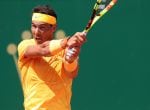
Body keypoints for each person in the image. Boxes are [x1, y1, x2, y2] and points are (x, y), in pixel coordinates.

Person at [17, 5, 86, 110]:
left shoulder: (64, 49)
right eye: (34, 26)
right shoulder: (25, 45)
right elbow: (43, 50)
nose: (36, 32)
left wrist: (70, 60)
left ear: (53, 28)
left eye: (42, 27)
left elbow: (72, 73)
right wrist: (67, 41)